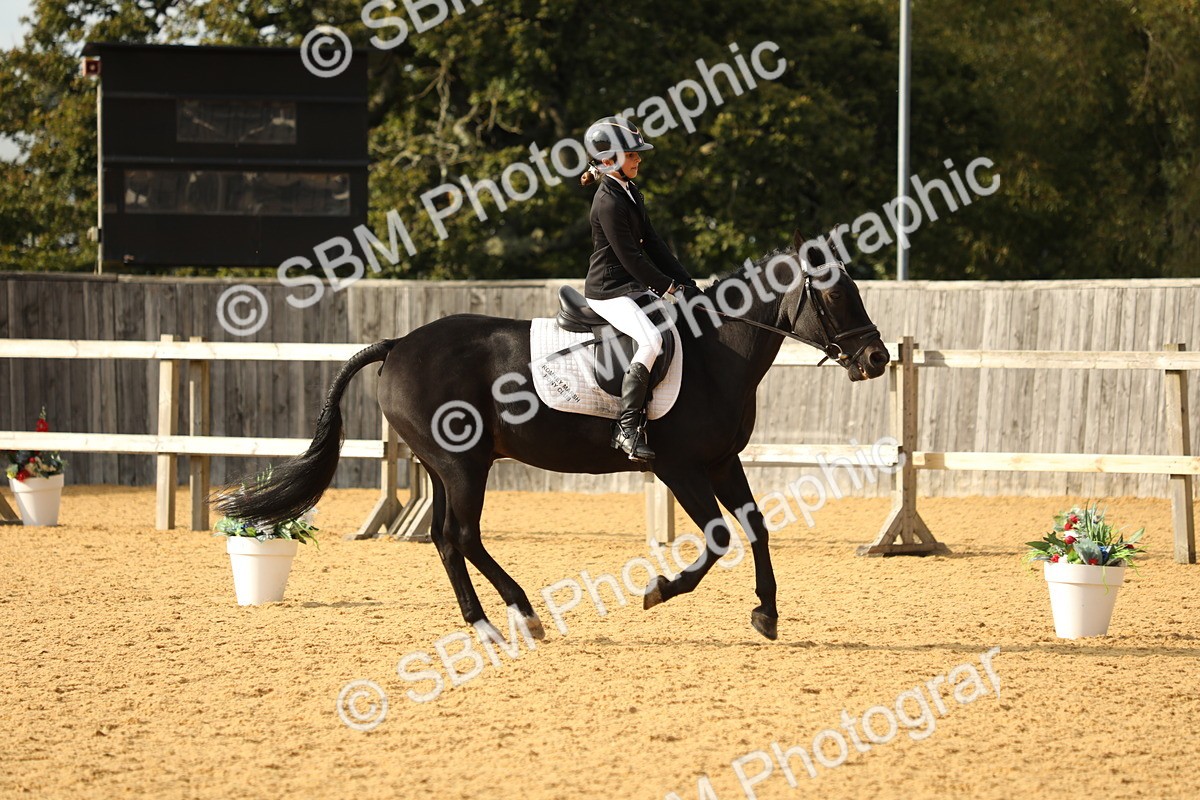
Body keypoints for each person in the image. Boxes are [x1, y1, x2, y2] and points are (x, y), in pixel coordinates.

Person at [579, 116, 698, 462]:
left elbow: (655, 245)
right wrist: (668, 288)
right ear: (609, 159)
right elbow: (630, 257)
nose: (638, 159)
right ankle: (627, 430)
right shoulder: (608, 201)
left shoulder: (628, 191)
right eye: (632, 154)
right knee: (651, 340)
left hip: (627, 286)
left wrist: (688, 283)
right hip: (608, 291)